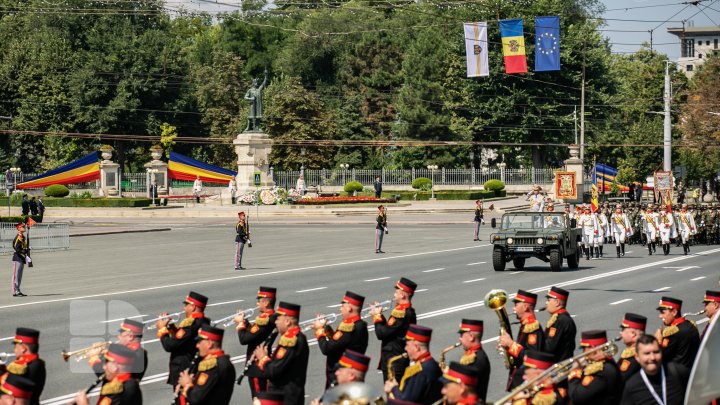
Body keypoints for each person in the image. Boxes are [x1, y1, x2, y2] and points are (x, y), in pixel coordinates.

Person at [253, 302, 309, 405]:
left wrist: (263, 358)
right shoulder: (291, 338)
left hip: (285, 399)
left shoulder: (292, 340)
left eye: (278, 319)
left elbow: (274, 371)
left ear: (287, 321)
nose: (276, 322)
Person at [314, 291, 369, 388]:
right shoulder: (358, 324)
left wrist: (319, 330)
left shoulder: (349, 327)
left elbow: (327, 348)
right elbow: (339, 343)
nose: (340, 309)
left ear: (349, 308)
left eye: (342, 306)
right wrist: (326, 328)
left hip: (341, 377)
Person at [156, 291, 209, 386]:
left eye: (186, 305)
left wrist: (162, 330)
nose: (184, 308)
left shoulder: (190, 325)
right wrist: (171, 327)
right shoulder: (203, 321)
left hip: (183, 370)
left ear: (193, 307)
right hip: (192, 367)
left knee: (181, 399)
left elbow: (169, 345)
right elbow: (183, 339)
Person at [620, 334, 690, 405]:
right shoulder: (631, 387)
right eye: (647, 353)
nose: (652, 357)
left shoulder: (678, 372)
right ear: (637, 357)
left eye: (656, 352)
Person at [371, 277, 418, 382]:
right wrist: (380, 316)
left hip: (395, 361)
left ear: (402, 295)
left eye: (396, 292)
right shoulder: (403, 311)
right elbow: (389, 330)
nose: (394, 295)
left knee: (394, 395)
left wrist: (376, 316)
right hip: (395, 359)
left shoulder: (402, 313)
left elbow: (381, 334)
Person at [235, 286, 278, 398]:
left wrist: (240, 325)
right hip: (263, 362)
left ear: (267, 303)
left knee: (258, 398)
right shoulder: (271, 317)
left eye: (259, 301)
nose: (257, 303)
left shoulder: (265, 320)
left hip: (256, 366)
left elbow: (244, 339)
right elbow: (256, 334)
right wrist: (246, 323)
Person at [176, 325, 235, 405]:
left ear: (209, 344)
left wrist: (186, 384)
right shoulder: (224, 361)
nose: (197, 345)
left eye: (200, 341)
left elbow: (195, 398)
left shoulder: (213, 365)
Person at [498, 290, 544, 391]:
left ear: (525, 306)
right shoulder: (525, 325)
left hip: (526, 380)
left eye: (516, 304)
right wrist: (507, 349)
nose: (513, 308)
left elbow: (531, 356)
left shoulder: (533, 328)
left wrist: (510, 344)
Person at [384, 324, 442, 404]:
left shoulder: (421, 371)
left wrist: (393, 388)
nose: (405, 348)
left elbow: (406, 402)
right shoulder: (431, 364)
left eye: (407, 345)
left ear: (416, 347)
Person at [71, 344, 142, 405]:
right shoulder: (115, 382)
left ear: (115, 366)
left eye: (106, 363)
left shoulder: (125, 389)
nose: (104, 367)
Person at [568, 330, 623, 405]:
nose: (584, 352)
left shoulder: (601, 371)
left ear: (593, 349)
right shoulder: (607, 363)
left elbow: (577, 397)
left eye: (585, 348)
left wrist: (575, 371)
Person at [0, 328, 45, 405]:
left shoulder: (25, 367)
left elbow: (8, 387)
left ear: (23, 348)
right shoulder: (37, 363)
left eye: (15, 346)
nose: (14, 350)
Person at [654, 296, 701, 369]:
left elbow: (661, 356)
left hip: (678, 375)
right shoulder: (691, 324)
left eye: (663, 312)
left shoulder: (672, 332)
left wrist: (658, 341)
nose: (660, 316)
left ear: (674, 312)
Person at [455, 319, 490, 402]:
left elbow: (462, 387)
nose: (460, 339)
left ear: (471, 337)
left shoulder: (476, 359)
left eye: (462, 335)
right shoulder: (473, 355)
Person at [543, 287, 576, 363]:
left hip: (560, 366)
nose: (546, 303)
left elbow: (549, 347)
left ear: (557, 302)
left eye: (548, 300)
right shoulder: (560, 318)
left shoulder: (561, 321)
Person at [617, 313, 647, 383]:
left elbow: (618, 380)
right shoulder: (633, 352)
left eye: (623, 329)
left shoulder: (634, 358)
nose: (621, 333)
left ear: (633, 334)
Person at [11, 223, 29, 297]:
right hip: (17, 257)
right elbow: (17, 249)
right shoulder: (18, 237)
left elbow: (22, 247)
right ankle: (15, 291)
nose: (24, 228)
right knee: (16, 275)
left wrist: (27, 249)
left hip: (21, 258)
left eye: (24, 226)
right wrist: (24, 251)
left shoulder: (22, 237)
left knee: (19, 276)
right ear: (18, 228)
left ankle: (18, 290)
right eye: (22, 227)